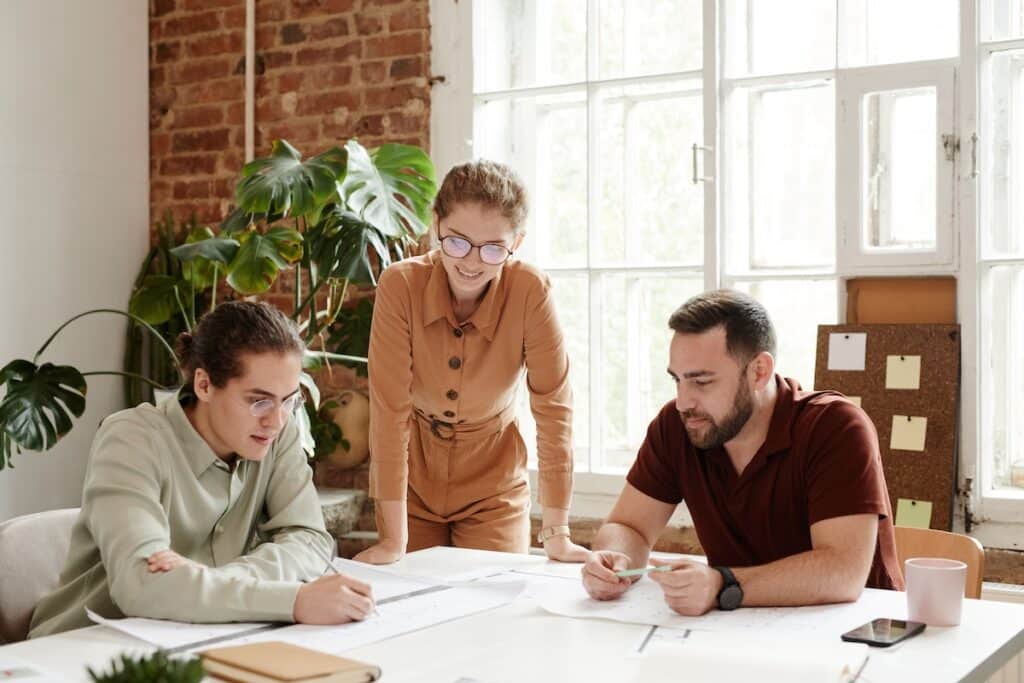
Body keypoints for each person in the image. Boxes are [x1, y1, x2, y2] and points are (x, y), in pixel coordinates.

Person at [29, 301, 374, 637]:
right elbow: (140, 587)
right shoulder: (131, 440)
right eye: (259, 401)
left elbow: (310, 538)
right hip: (86, 649)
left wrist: (218, 580)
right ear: (204, 384)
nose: (276, 419)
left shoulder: (275, 432)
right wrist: (292, 601)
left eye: (289, 400)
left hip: (205, 638)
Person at [581, 290, 904, 616]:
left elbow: (842, 572)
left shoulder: (836, 427)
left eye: (702, 382)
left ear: (759, 371)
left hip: (855, 636)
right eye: (677, 380)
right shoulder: (679, 426)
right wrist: (612, 558)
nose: (683, 402)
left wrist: (722, 585)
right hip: (739, 630)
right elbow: (629, 527)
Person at [355, 160, 587, 564]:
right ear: (436, 225)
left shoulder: (530, 290)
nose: (472, 262)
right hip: (412, 480)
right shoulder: (401, 285)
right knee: (412, 604)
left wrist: (557, 533)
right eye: (457, 241)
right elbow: (390, 410)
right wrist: (393, 540)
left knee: (491, 608)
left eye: (494, 248)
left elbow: (554, 409)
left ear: (516, 242)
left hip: (494, 484)